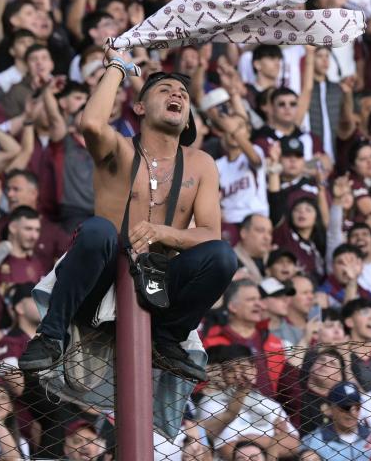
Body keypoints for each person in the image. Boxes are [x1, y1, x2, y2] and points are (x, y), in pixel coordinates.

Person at [19, 66, 237, 381]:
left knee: (222, 256)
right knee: (99, 231)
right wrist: (117, 67)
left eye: (183, 94)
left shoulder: (202, 163)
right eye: (164, 90)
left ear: (188, 118)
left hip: (157, 285)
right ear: (139, 107)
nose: (176, 94)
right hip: (101, 276)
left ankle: (166, 339)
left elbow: (209, 235)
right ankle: (51, 335)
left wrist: (163, 233)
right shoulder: (119, 147)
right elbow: (92, 123)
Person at [301, 381, 371, 460]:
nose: (352, 413)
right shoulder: (314, 441)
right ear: (330, 409)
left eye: (357, 407)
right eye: (346, 407)